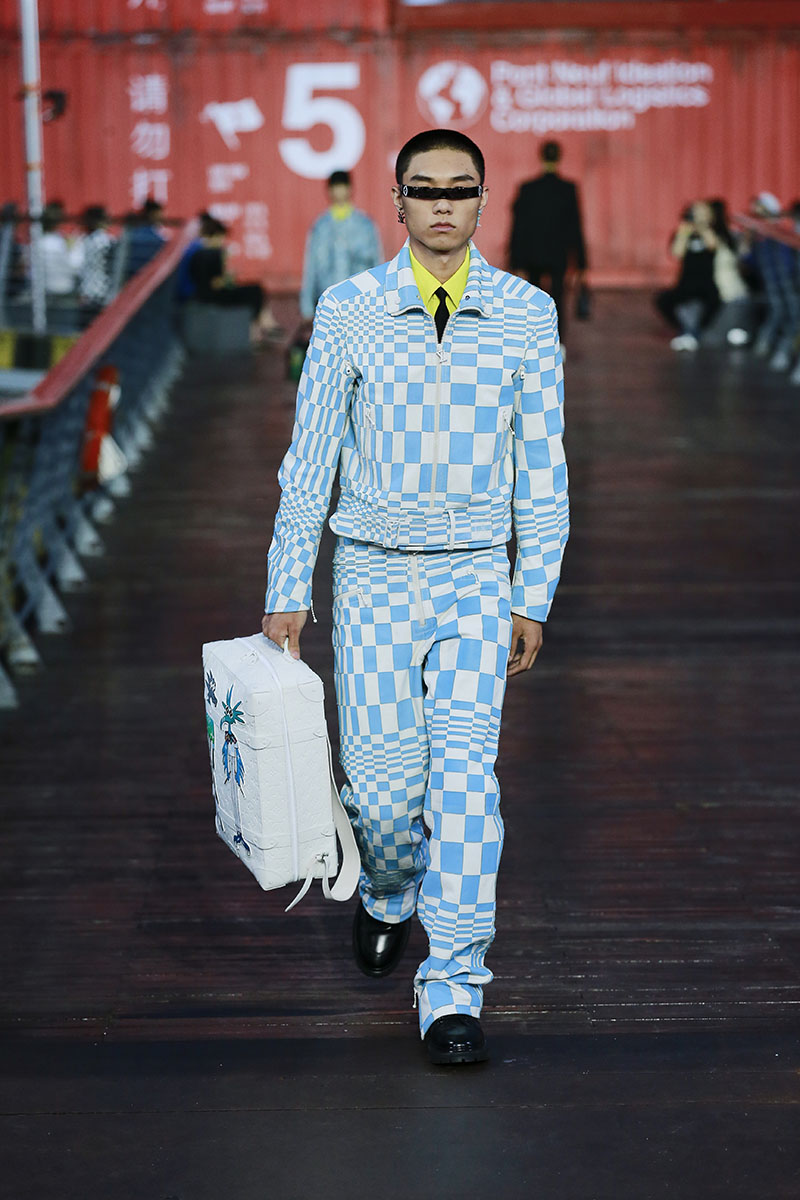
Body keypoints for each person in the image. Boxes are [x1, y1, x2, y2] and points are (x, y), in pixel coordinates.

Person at [263, 129, 569, 1066]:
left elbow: (542, 463)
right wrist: (287, 585)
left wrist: (532, 591)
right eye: (425, 189)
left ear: (483, 200)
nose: (443, 204)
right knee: (385, 794)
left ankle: (454, 988)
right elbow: (311, 457)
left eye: (460, 189)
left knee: (467, 784)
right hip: (371, 573)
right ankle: (389, 891)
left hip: (477, 575)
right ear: (396, 201)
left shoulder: (526, 313)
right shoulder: (350, 308)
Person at [508, 139, 587, 334]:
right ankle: (557, 341)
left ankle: (536, 338)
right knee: (558, 298)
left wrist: (515, 260)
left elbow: (518, 227)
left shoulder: (528, 188)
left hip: (532, 254)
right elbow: (575, 227)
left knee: (533, 299)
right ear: (559, 157)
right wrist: (581, 262)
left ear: (541, 157)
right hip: (558, 254)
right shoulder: (568, 189)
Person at [299, 170, 383, 320]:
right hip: (328, 303)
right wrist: (306, 306)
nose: (339, 191)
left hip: (360, 302)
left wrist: (381, 300)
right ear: (329, 191)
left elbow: (377, 262)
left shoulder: (365, 225)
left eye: (342, 186)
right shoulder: (320, 226)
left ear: (350, 189)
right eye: (335, 187)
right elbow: (310, 267)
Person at [188, 216, 281, 344]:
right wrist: (228, 277)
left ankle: (262, 326)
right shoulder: (214, 254)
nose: (223, 241)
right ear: (216, 236)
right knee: (255, 291)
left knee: (254, 291)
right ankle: (258, 329)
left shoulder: (196, 251)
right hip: (213, 297)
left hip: (200, 295)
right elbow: (215, 283)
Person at [655, 201, 721, 351]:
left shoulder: (713, 232)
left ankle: (695, 331)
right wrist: (685, 230)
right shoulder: (684, 232)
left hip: (706, 283)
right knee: (667, 301)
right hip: (686, 282)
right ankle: (687, 331)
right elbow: (677, 253)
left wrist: (702, 227)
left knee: (709, 304)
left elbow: (713, 245)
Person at [72, 204, 116, 321]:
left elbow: (75, 266)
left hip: (87, 293)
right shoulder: (109, 241)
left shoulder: (82, 241)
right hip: (105, 293)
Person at [124, 197, 166, 279]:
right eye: (159, 213)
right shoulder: (154, 237)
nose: (162, 216)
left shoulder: (132, 232)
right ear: (152, 214)